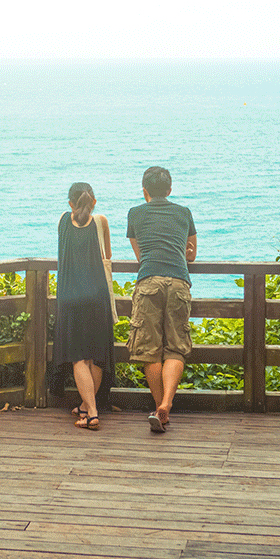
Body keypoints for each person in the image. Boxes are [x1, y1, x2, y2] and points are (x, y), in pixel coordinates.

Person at [126, 166, 197, 433]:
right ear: (169, 189)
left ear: (144, 190)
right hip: (178, 281)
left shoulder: (135, 213)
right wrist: (183, 252)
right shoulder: (184, 213)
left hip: (149, 281)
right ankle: (167, 402)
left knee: (149, 349)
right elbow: (191, 255)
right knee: (176, 347)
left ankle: (159, 409)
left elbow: (140, 256)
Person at [50, 182, 116, 431]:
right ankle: (89, 409)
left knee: (78, 357)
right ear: (94, 201)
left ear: (70, 203)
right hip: (97, 297)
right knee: (95, 356)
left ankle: (89, 411)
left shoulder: (62, 221)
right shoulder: (101, 222)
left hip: (70, 298)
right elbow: (107, 256)